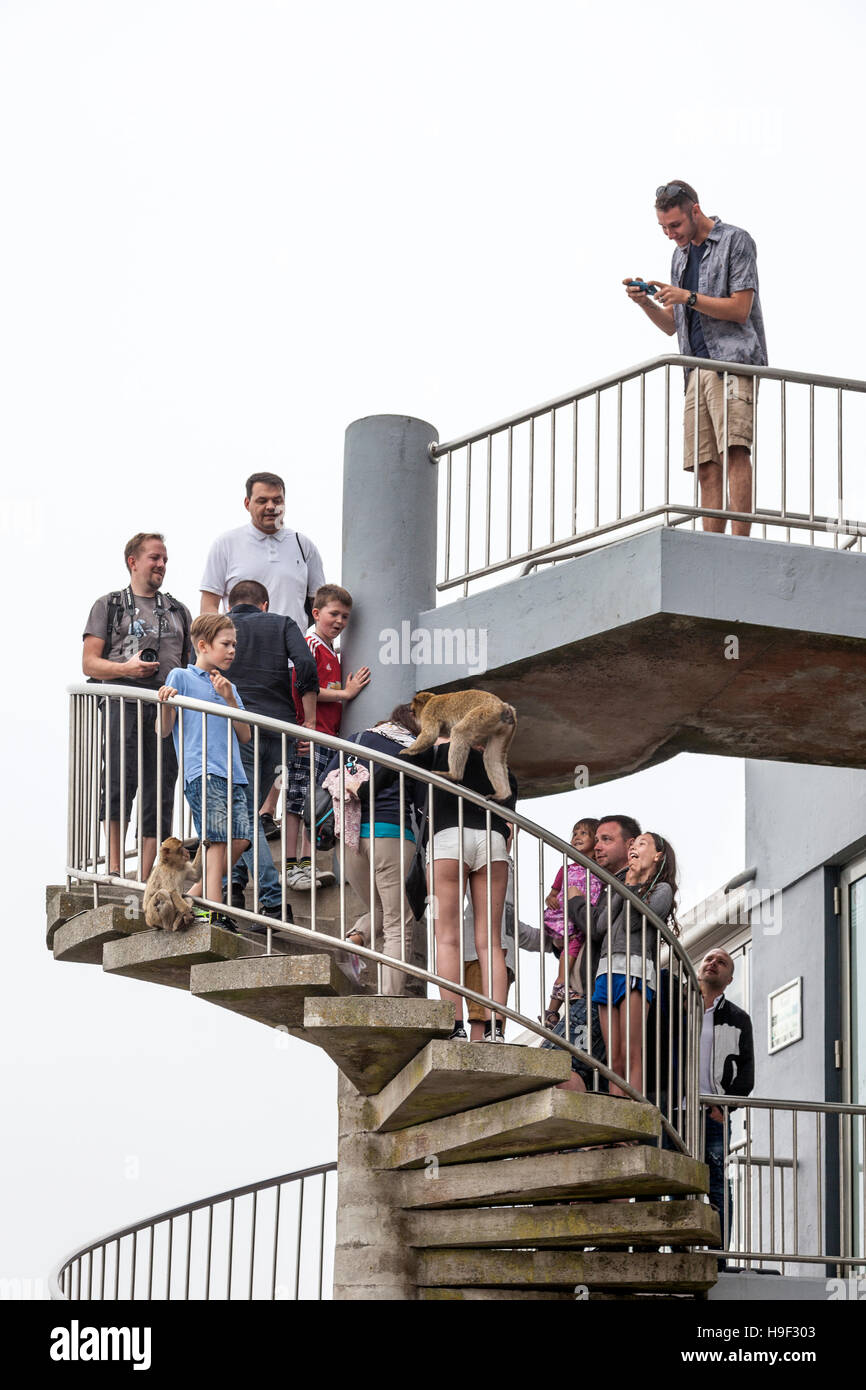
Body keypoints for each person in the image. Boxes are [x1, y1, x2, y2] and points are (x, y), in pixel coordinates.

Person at [624, 180, 768, 537]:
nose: (670, 234)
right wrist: (646, 303)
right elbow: (674, 327)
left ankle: (740, 545)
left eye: (675, 225)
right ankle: (712, 546)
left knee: (735, 450)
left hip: (732, 364)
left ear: (695, 210)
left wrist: (688, 296)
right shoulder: (680, 256)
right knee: (705, 464)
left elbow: (740, 308)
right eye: (663, 228)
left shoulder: (736, 240)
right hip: (694, 370)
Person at [82, 533, 192, 879]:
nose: (161, 565)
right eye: (154, 558)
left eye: (164, 559)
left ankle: (146, 875)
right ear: (133, 561)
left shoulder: (178, 610)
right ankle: (114, 866)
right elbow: (89, 664)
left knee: (161, 785)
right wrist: (126, 669)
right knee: (118, 777)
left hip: (166, 703)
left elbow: (189, 664)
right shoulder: (109, 605)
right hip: (122, 699)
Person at [403, 739, 518, 1041]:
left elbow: (398, 776)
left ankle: (454, 1025)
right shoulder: (501, 768)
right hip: (492, 841)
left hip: (448, 839)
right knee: (491, 942)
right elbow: (509, 829)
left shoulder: (437, 753)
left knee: (448, 939)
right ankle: (495, 1028)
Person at [222, 580, 319, 922]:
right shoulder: (282, 623)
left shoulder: (221, 629)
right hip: (280, 730)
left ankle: (272, 897)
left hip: (236, 727)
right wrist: (309, 720)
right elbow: (306, 667)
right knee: (244, 814)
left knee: (241, 814)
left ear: (229, 605)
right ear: (264, 604)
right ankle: (232, 885)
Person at [321, 704, 426, 995]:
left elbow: (325, 783)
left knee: (380, 909)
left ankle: (356, 938)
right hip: (391, 834)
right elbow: (421, 805)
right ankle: (389, 1000)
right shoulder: (414, 749)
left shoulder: (356, 739)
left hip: (348, 839)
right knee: (398, 924)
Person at [157, 615, 252, 929]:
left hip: (233, 774)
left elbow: (245, 734)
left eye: (234, 644)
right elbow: (163, 729)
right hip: (203, 771)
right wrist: (166, 703)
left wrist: (227, 698)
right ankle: (214, 910)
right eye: (226, 644)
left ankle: (196, 896)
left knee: (239, 841)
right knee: (218, 841)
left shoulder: (230, 686)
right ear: (203, 645)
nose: (232, 650)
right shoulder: (181, 676)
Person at [283, 585, 371, 890]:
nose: (340, 621)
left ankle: (306, 865)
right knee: (297, 802)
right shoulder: (309, 645)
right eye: (334, 614)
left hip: (325, 737)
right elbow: (302, 685)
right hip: (309, 734)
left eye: (345, 616)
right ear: (317, 613)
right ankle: (291, 866)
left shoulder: (329, 649)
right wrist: (344, 693)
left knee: (314, 803)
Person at [592, 830, 678, 1099]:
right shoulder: (618, 883)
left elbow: (634, 922)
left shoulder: (661, 889)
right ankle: (617, 1119)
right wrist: (624, 884)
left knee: (631, 1054)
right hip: (606, 968)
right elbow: (600, 926)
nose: (634, 847)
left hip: (635, 968)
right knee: (613, 1057)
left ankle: (632, 1121)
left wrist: (631, 884)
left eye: (643, 843)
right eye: (634, 843)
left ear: (657, 856)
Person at [199, 472, 326, 630]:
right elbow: (209, 606)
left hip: (292, 652)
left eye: (277, 500)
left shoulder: (304, 545)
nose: (271, 506)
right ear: (247, 503)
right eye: (262, 500)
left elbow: (321, 609)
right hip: (241, 650)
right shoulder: (225, 544)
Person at [697, 947, 755, 1249]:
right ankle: (676, 1252)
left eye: (722, 962)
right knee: (671, 1183)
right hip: (672, 1113)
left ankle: (717, 1257)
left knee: (717, 1187)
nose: (713, 964)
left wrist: (725, 1106)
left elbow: (746, 1076)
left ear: (729, 978)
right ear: (699, 968)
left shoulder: (738, 1018)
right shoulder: (676, 1006)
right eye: (709, 959)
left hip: (712, 1116)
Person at [463, 854, 555, 1041]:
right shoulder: (483, 857)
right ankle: (476, 1062)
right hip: (479, 957)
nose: (508, 830)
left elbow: (512, 927)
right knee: (482, 1018)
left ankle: (487, 1059)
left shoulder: (506, 863)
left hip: (503, 961)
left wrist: (553, 940)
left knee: (496, 1020)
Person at [542, 819, 602, 1021]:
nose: (577, 836)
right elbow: (552, 894)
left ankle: (551, 1011)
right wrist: (550, 899)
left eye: (584, 833)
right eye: (575, 833)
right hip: (566, 919)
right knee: (571, 950)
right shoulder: (566, 869)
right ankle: (560, 988)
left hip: (582, 918)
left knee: (571, 953)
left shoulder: (599, 870)